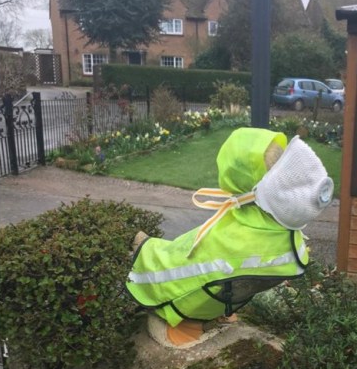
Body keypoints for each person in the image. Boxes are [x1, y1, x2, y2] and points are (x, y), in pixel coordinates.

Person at [126, 127, 334, 347]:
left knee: (186, 253)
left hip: (199, 300)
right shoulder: (285, 236)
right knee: (185, 249)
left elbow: (188, 271)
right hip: (206, 296)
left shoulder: (238, 237)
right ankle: (148, 249)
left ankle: (148, 249)